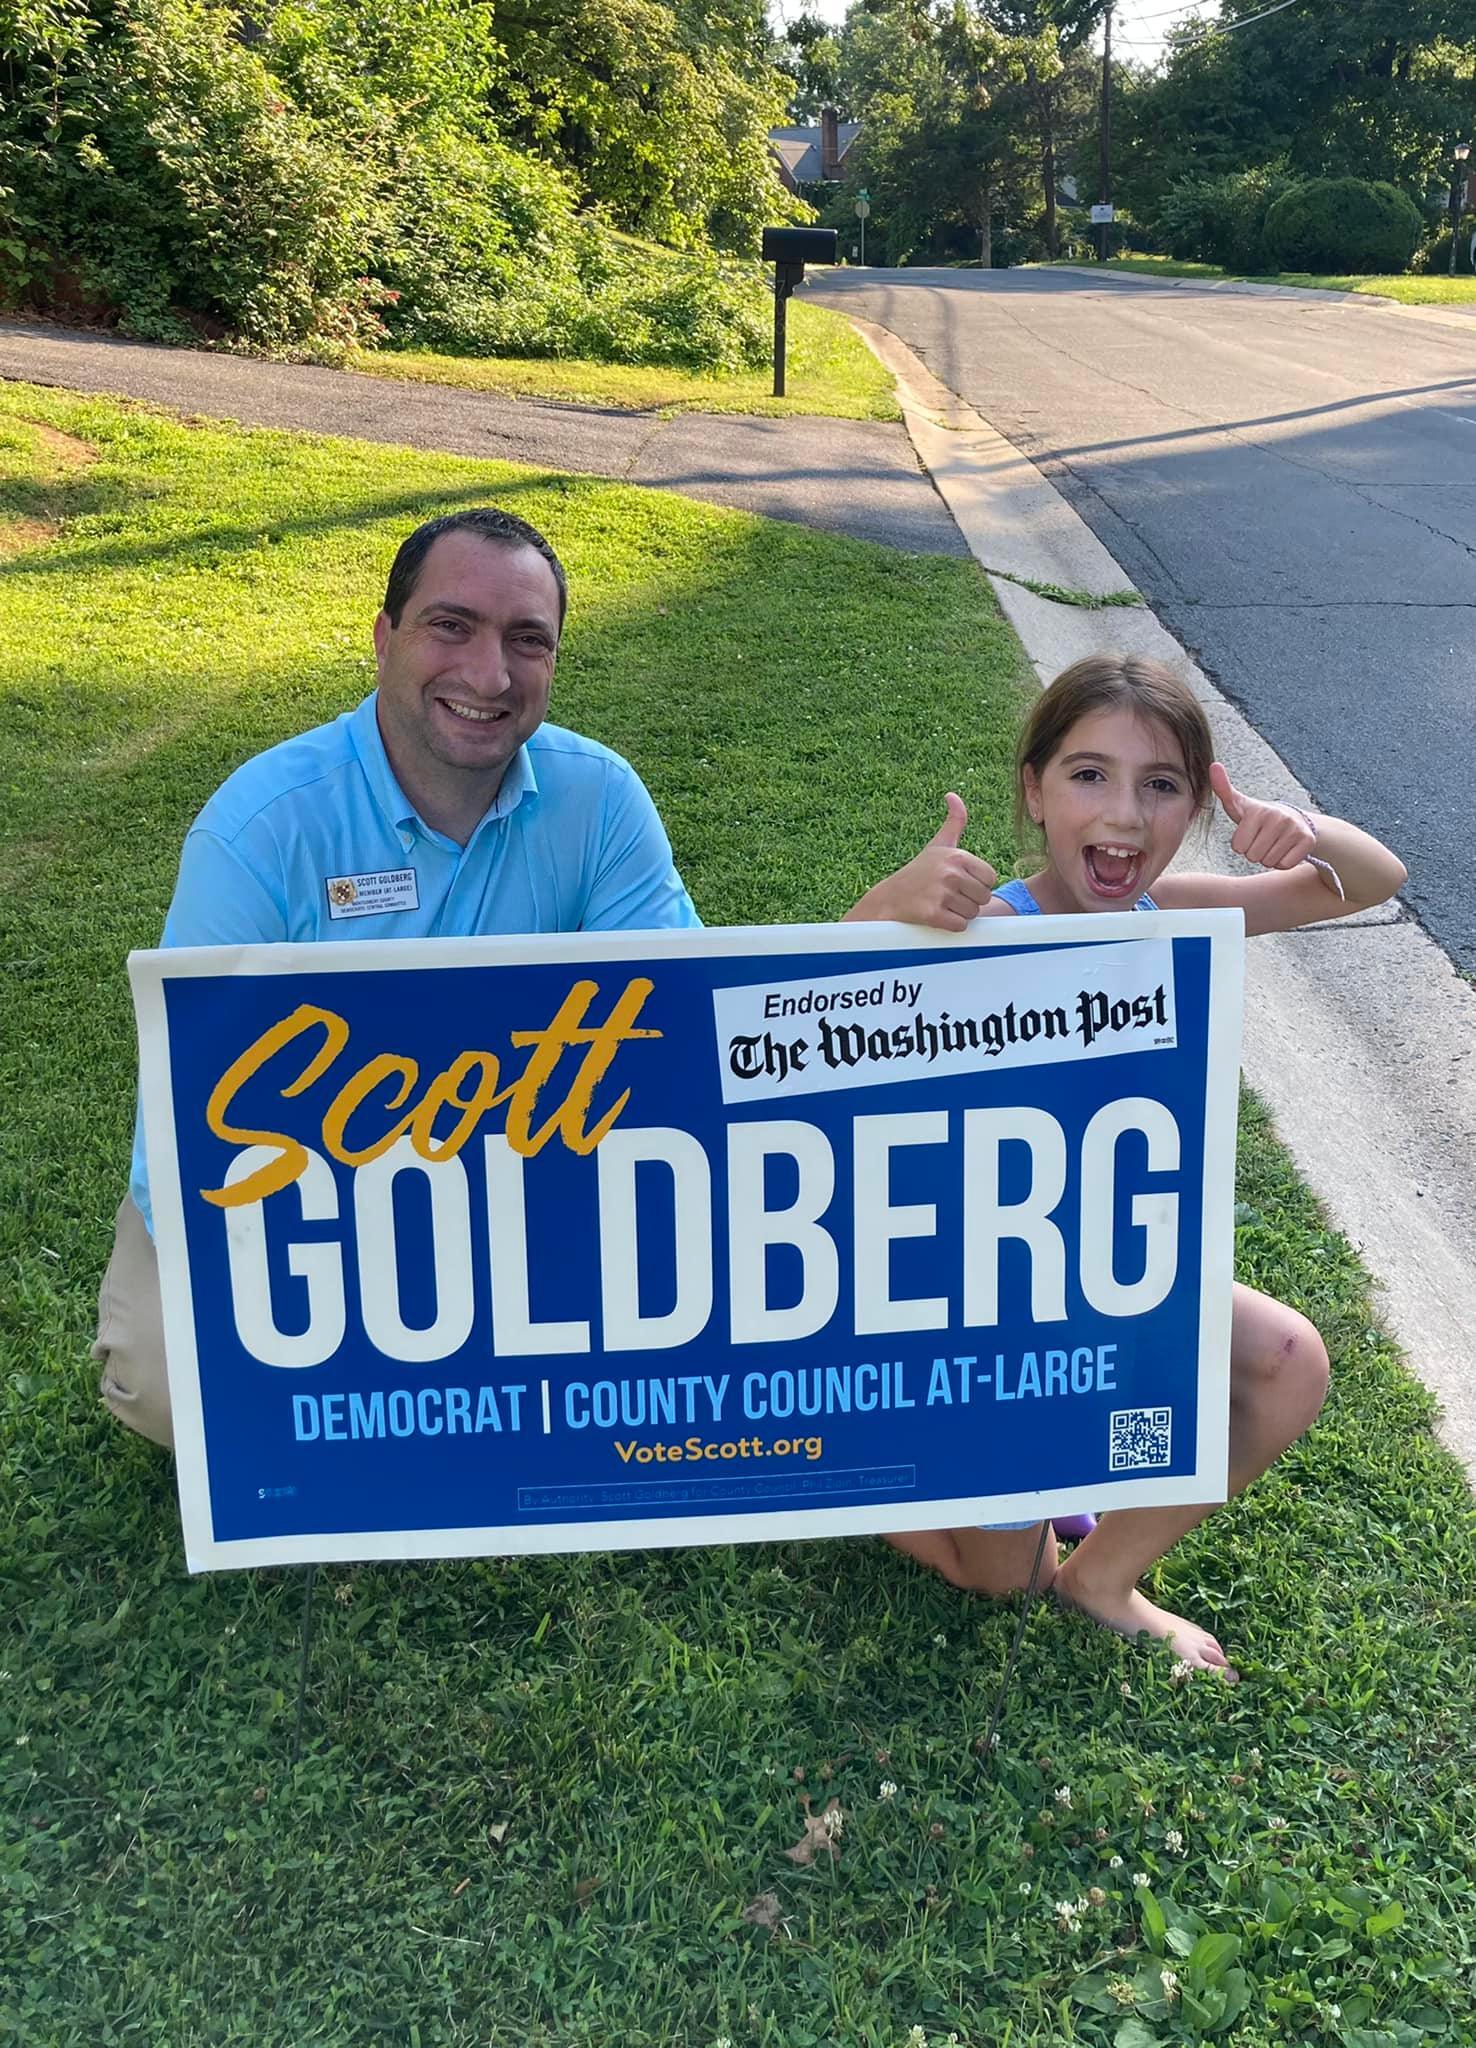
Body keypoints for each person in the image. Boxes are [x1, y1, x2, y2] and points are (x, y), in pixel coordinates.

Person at [98, 505, 998, 1448]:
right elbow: (192, 1112)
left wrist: (865, 922)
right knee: (173, 1391)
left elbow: (692, 1030)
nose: (489, 675)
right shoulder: (261, 829)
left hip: (522, 1180)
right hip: (309, 1194)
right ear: (383, 638)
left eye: (527, 641)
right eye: (452, 626)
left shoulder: (598, 799)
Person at [847, 652, 1408, 1677]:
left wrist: (1307, 833)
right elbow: (785, 1027)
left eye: (1161, 785)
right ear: (1035, 788)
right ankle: (873, 1477)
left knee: (1290, 1364)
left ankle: (1101, 1575)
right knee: (999, 1573)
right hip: (977, 1315)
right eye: (1089, 774)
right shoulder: (986, 930)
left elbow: (1373, 881)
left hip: (1111, 1288)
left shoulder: (1172, 912)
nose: (1126, 813)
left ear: (1196, 802)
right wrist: (884, 907)